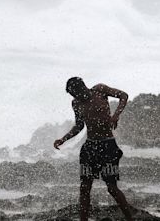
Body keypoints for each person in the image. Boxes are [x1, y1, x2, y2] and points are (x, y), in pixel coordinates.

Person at [53, 77, 133, 221]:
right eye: (72, 95)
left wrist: (116, 115)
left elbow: (123, 95)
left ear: (82, 87)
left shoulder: (100, 90)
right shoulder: (76, 103)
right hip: (90, 147)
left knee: (112, 188)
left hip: (108, 145)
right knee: (84, 188)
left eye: (75, 93)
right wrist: (63, 139)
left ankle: (130, 219)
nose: (75, 97)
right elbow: (79, 125)